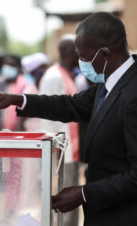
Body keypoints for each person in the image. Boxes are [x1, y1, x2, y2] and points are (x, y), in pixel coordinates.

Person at [0, 12, 137, 226]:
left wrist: (84, 193)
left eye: (83, 57)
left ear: (103, 54)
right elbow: (70, 105)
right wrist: (17, 99)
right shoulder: (111, 82)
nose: (81, 63)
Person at [39, 34, 80, 225]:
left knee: (71, 194)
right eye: (79, 50)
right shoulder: (54, 76)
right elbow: (46, 115)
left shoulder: (67, 75)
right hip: (62, 149)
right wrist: (53, 148)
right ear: (69, 52)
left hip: (71, 147)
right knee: (65, 196)